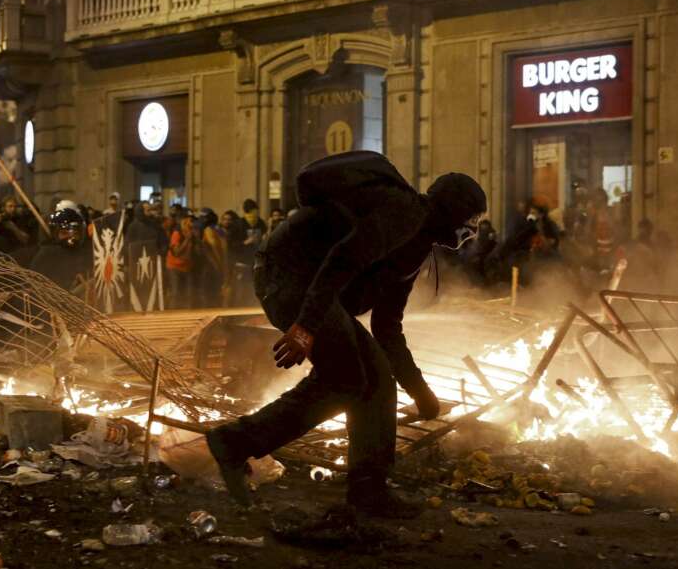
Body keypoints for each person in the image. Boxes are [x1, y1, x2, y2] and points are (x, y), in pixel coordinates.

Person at [205, 151, 486, 517]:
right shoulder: (405, 212)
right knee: (346, 379)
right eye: (472, 220)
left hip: (313, 288)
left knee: (376, 380)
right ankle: (234, 443)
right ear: (453, 210)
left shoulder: (415, 244)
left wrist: (422, 394)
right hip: (291, 277)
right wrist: (305, 327)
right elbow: (343, 259)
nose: (472, 232)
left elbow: (388, 328)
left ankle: (369, 490)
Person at [29, 206, 92, 294]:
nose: (71, 237)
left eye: (75, 233)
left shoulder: (84, 253)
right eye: (64, 233)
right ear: (55, 233)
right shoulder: (47, 255)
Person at [165, 213, 195, 309]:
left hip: (187, 267)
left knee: (189, 294)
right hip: (175, 267)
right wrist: (187, 239)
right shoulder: (177, 233)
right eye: (190, 221)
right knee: (175, 293)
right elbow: (176, 252)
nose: (191, 223)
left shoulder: (192, 232)